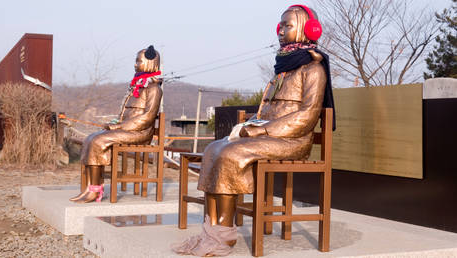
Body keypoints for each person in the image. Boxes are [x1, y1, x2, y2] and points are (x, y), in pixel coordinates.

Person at [173, 4, 335, 256]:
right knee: (214, 148)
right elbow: (266, 111)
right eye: (280, 25)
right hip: (270, 134)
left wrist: (263, 130)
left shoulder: (313, 69)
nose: (281, 30)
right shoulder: (282, 69)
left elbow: (307, 115)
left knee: (231, 154)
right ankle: (212, 229)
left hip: (293, 140)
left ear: (307, 29)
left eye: (288, 25)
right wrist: (252, 124)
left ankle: (224, 235)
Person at [69, 45, 163, 203]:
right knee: (91, 138)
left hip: (140, 132)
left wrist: (118, 127)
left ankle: (95, 190)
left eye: (138, 61)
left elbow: (147, 117)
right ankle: (92, 187)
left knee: (99, 140)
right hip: (128, 129)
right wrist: (115, 123)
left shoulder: (154, 89)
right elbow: (125, 114)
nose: (135, 64)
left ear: (150, 62)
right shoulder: (137, 86)